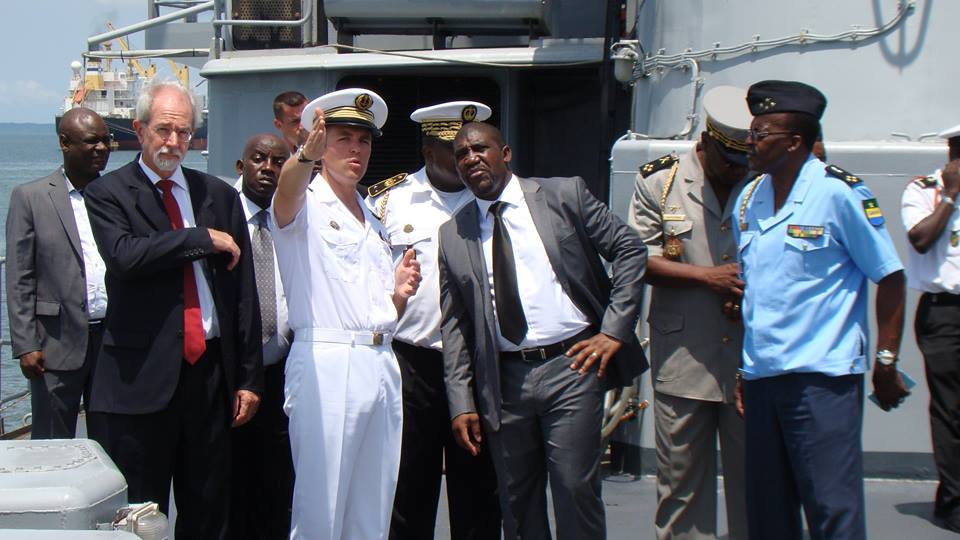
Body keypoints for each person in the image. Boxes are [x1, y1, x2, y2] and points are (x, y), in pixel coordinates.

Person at [438, 121, 647, 540]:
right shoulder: (452, 234)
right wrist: (461, 401)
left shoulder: (563, 196)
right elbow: (456, 324)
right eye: (462, 154)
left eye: (480, 148)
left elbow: (629, 249)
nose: (471, 159)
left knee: (573, 488)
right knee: (517, 502)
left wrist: (613, 330)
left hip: (571, 367)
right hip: (504, 381)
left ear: (505, 153)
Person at [83, 80, 263, 540]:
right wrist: (200, 239)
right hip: (140, 380)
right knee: (140, 514)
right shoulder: (108, 194)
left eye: (184, 132)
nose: (174, 142)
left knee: (209, 509)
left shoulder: (217, 196)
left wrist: (247, 377)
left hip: (210, 376)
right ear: (140, 128)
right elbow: (125, 256)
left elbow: (243, 294)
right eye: (164, 130)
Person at [734, 80, 910, 540]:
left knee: (832, 511)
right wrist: (743, 368)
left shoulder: (839, 193)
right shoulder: (749, 199)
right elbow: (758, 291)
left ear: (794, 142)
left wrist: (886, 360)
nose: (749, 141)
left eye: (760, 134)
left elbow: (890, 276)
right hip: (762, 378)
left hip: (821, 381)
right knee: (767, 515)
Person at [272, 88, 422, 540]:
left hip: (380, 361)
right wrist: (304, 156)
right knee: (322, 507)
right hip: (328, 363)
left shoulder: (373, 217)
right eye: (343, 139)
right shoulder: (306, 203)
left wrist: (397, 294)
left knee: (372, 505)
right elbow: (284, 193)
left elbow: (370, 308)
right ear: (320, 143)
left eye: (364, 140)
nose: (356, 149)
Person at [365, 101, 501, 540]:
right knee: (408, 484)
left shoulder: (492, 197)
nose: (466, 157)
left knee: (479, 487)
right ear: (428, 152)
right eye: (453, 149)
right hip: (413, 363)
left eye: (471, 148)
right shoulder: (388, 201)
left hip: (479, 363)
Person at [628, 85, 749, 540]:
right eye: (730, 159)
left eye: (745, 160)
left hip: (749, 361)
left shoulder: (761, 180)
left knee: (753, 487)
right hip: (684, 358)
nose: (738, 170)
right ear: (707, 140)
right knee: (681, 489)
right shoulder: (661, 181)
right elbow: (637, 259)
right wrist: (708, 277)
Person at [5, 107, 111, 439]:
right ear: (65, 143)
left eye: (106, 140)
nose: (101, 148)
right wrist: (25, 345)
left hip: (111, 342)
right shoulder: (31, 198)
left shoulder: (116, 196)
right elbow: (20, 276)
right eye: (91, 141)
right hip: (55, 344)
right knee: (53, 443)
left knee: (113, 440)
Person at [229, 133, 295, 539]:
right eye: (258, 159)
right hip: (233, 373)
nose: (268, 168)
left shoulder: (296, 218)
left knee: (279, 482)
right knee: (231, 483)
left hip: (285, 370)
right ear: (241, 166)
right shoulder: (218, 213)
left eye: (278, 161)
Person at [899, 123, 960, 533]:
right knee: (951, 409)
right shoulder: (923, 190)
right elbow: (920, 239)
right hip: (945, 314)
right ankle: (954, 501)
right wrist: (951, 196)